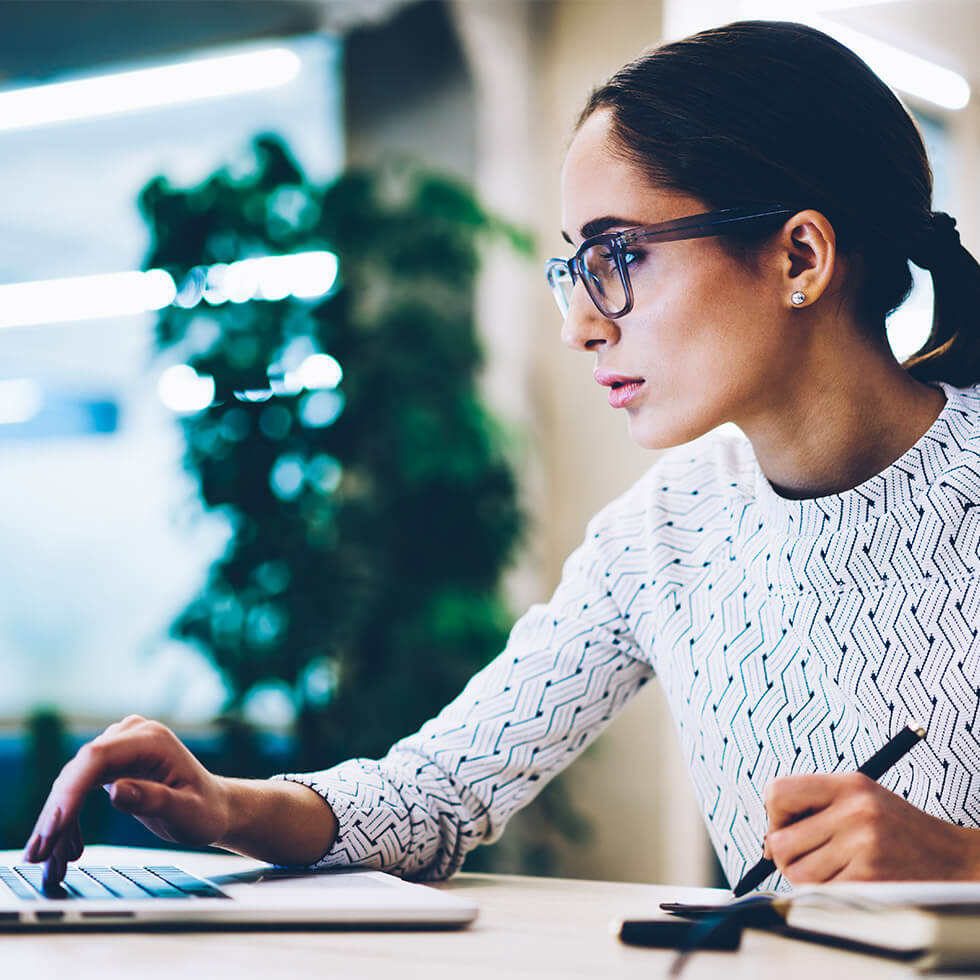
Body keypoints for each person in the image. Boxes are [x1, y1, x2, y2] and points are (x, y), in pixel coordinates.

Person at [24, 19, 980, 892]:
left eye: (619, 256)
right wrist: (228, 805)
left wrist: (965, 861)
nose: (578, 325)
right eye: (574, 266)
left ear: (799, 259)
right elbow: (435, 792)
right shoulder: (666, 532)